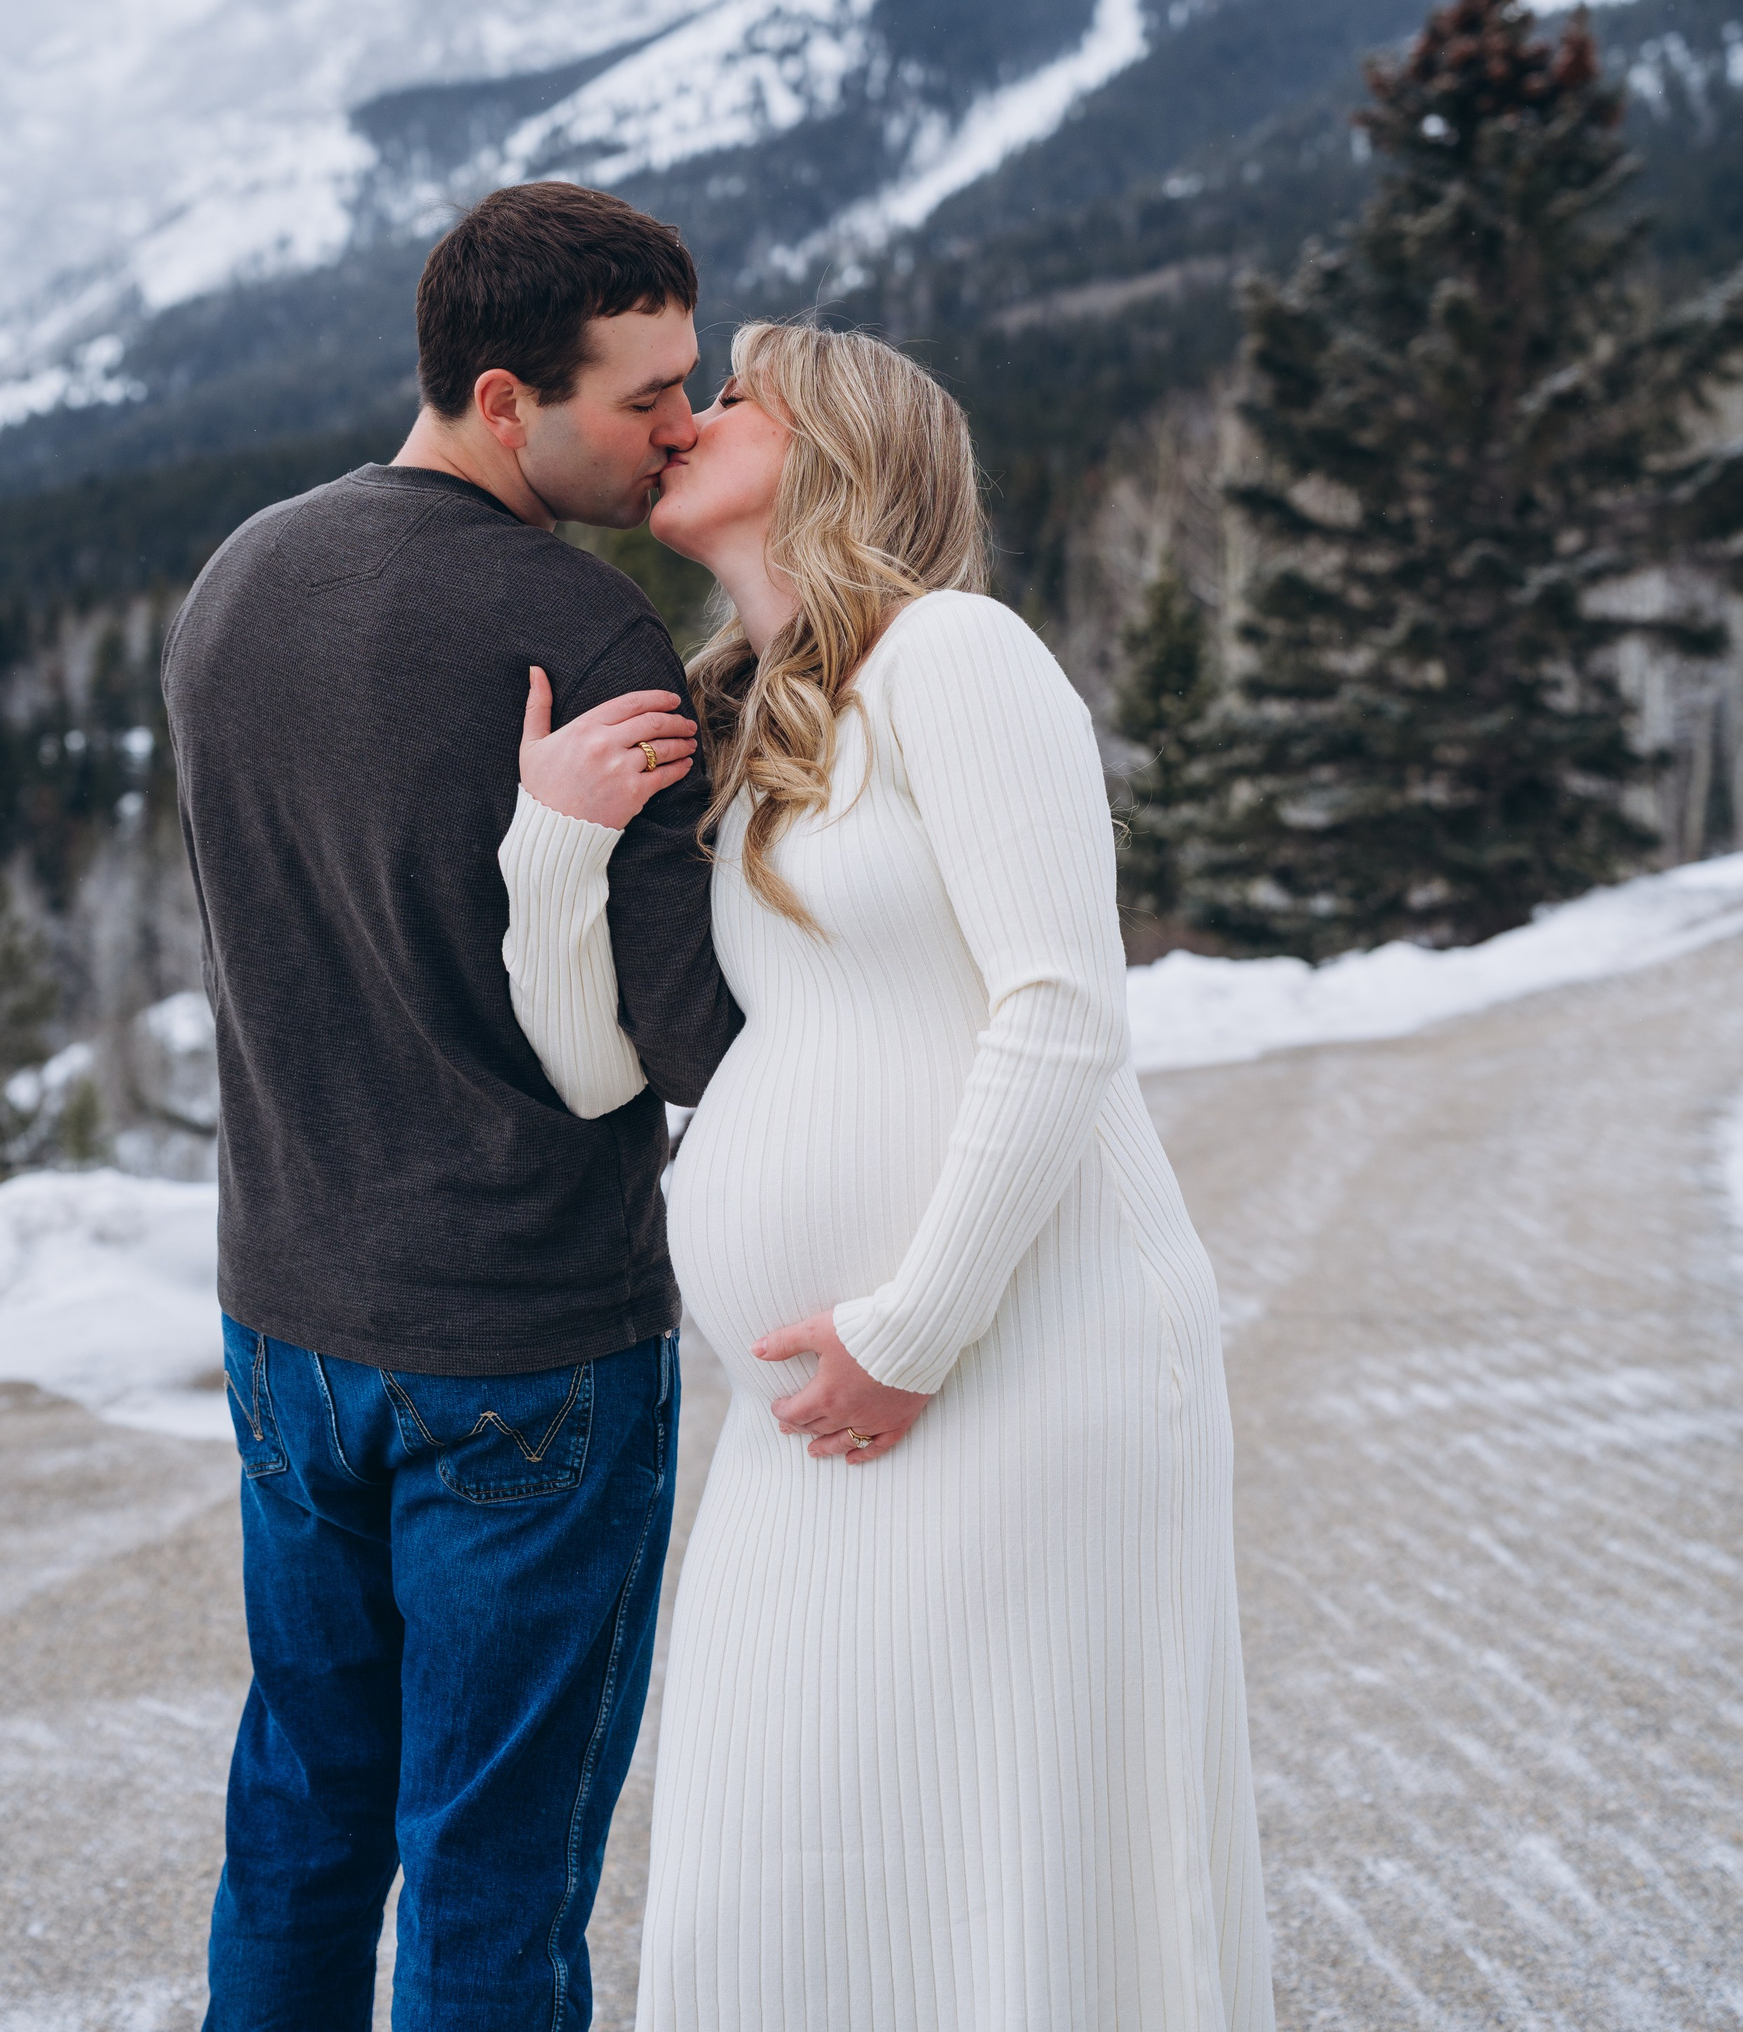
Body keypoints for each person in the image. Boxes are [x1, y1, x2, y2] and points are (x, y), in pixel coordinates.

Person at [499, 318, 1275, 2032]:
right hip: (820, 1400)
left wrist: (915, 1328)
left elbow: (1063, 1009)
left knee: (1013, 1842)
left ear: (838, 451)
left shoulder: (956, 657)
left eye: (737, 398)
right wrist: (553, 842)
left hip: (1023, 1354)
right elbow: (600, 1073)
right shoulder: (746, 721)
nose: (687, 421)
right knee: (775, 1843)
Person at [161, 182, 742, 2032]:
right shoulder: (584, 633)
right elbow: (696, 1043)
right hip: (525, 1340)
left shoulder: (236, 581)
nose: (683, 427)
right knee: (496, 1876)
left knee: (302, 1821)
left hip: (286, 1321)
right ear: (505, 401)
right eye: (645, 395)